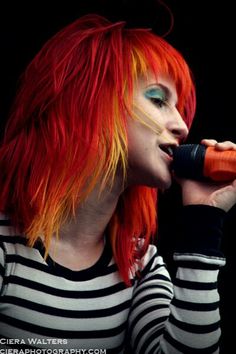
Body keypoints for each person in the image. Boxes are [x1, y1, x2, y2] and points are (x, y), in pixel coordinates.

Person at [0, 14, 235, 354]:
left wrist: (204, 217)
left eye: (178, 107)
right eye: (157, 99)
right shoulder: (6, 250)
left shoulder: (139, 264)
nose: (183, 126)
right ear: (89, 102)